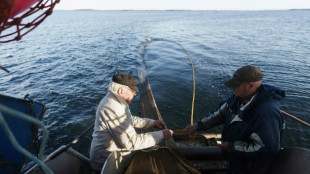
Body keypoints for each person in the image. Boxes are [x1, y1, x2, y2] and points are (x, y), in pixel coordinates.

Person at [185, 65, 285, 174]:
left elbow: (266, 149)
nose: (233, 88)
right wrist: (198, 126)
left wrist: (231, 146)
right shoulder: (237, 98)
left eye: (237, 85)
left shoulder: (266, 113)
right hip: (235, 161)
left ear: (250, 86)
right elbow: (220, 114)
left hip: (251, 169)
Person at [90, 73, 174, 172]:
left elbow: (130, 119)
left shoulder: (116, 101)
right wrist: (161, 135)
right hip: (106, 163)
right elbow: (131, 142)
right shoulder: (113, 107)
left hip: (116, 154)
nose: (135, 94)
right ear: (121, 91)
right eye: (133, 91)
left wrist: (152, 123)